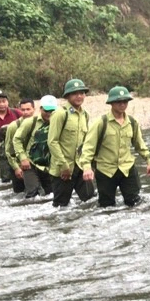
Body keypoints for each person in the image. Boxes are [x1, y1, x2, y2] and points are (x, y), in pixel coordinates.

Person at [79, 86, 150, 208]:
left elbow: (140, 145)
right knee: (106, 207)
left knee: (135, 204)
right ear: (111, 103)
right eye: (118, 101)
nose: (122, 104)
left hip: (127, 169)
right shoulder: (101, 122)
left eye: (125, 101)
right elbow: (88, 147)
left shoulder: (132, 122)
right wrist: (86, 167)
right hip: (105, 171)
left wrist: (149, 160)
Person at [47, 78, 97, 207]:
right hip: (62, 170)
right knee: (60, 207)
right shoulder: (60, 114)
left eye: (82, 93)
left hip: (79, 167)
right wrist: (64, 166)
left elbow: (86, 142)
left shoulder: (85, 114)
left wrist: (89, 165)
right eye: (75, 93)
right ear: (68, 96)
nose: (79, 96)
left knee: (91, 201)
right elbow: (52, 142)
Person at [12, 95, 60, 199]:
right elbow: (16, 139)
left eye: (52, 110)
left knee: (52, 195)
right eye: (46, 110)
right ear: (40, 109)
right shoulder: (30, 122)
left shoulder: (59, 122)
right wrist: (23, 158)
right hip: (30, 164)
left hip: (49, 165)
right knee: (33, 194)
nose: (49, 113)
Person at [2, 98, 37, 194]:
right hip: (17, 164)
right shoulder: (13, 126)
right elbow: (8, 150)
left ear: (34, 109)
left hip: (34, 164)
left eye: (28, 109)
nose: (25, 112)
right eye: (23, 110)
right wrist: (16, 168)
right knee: (19, 193)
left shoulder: (38, 123)